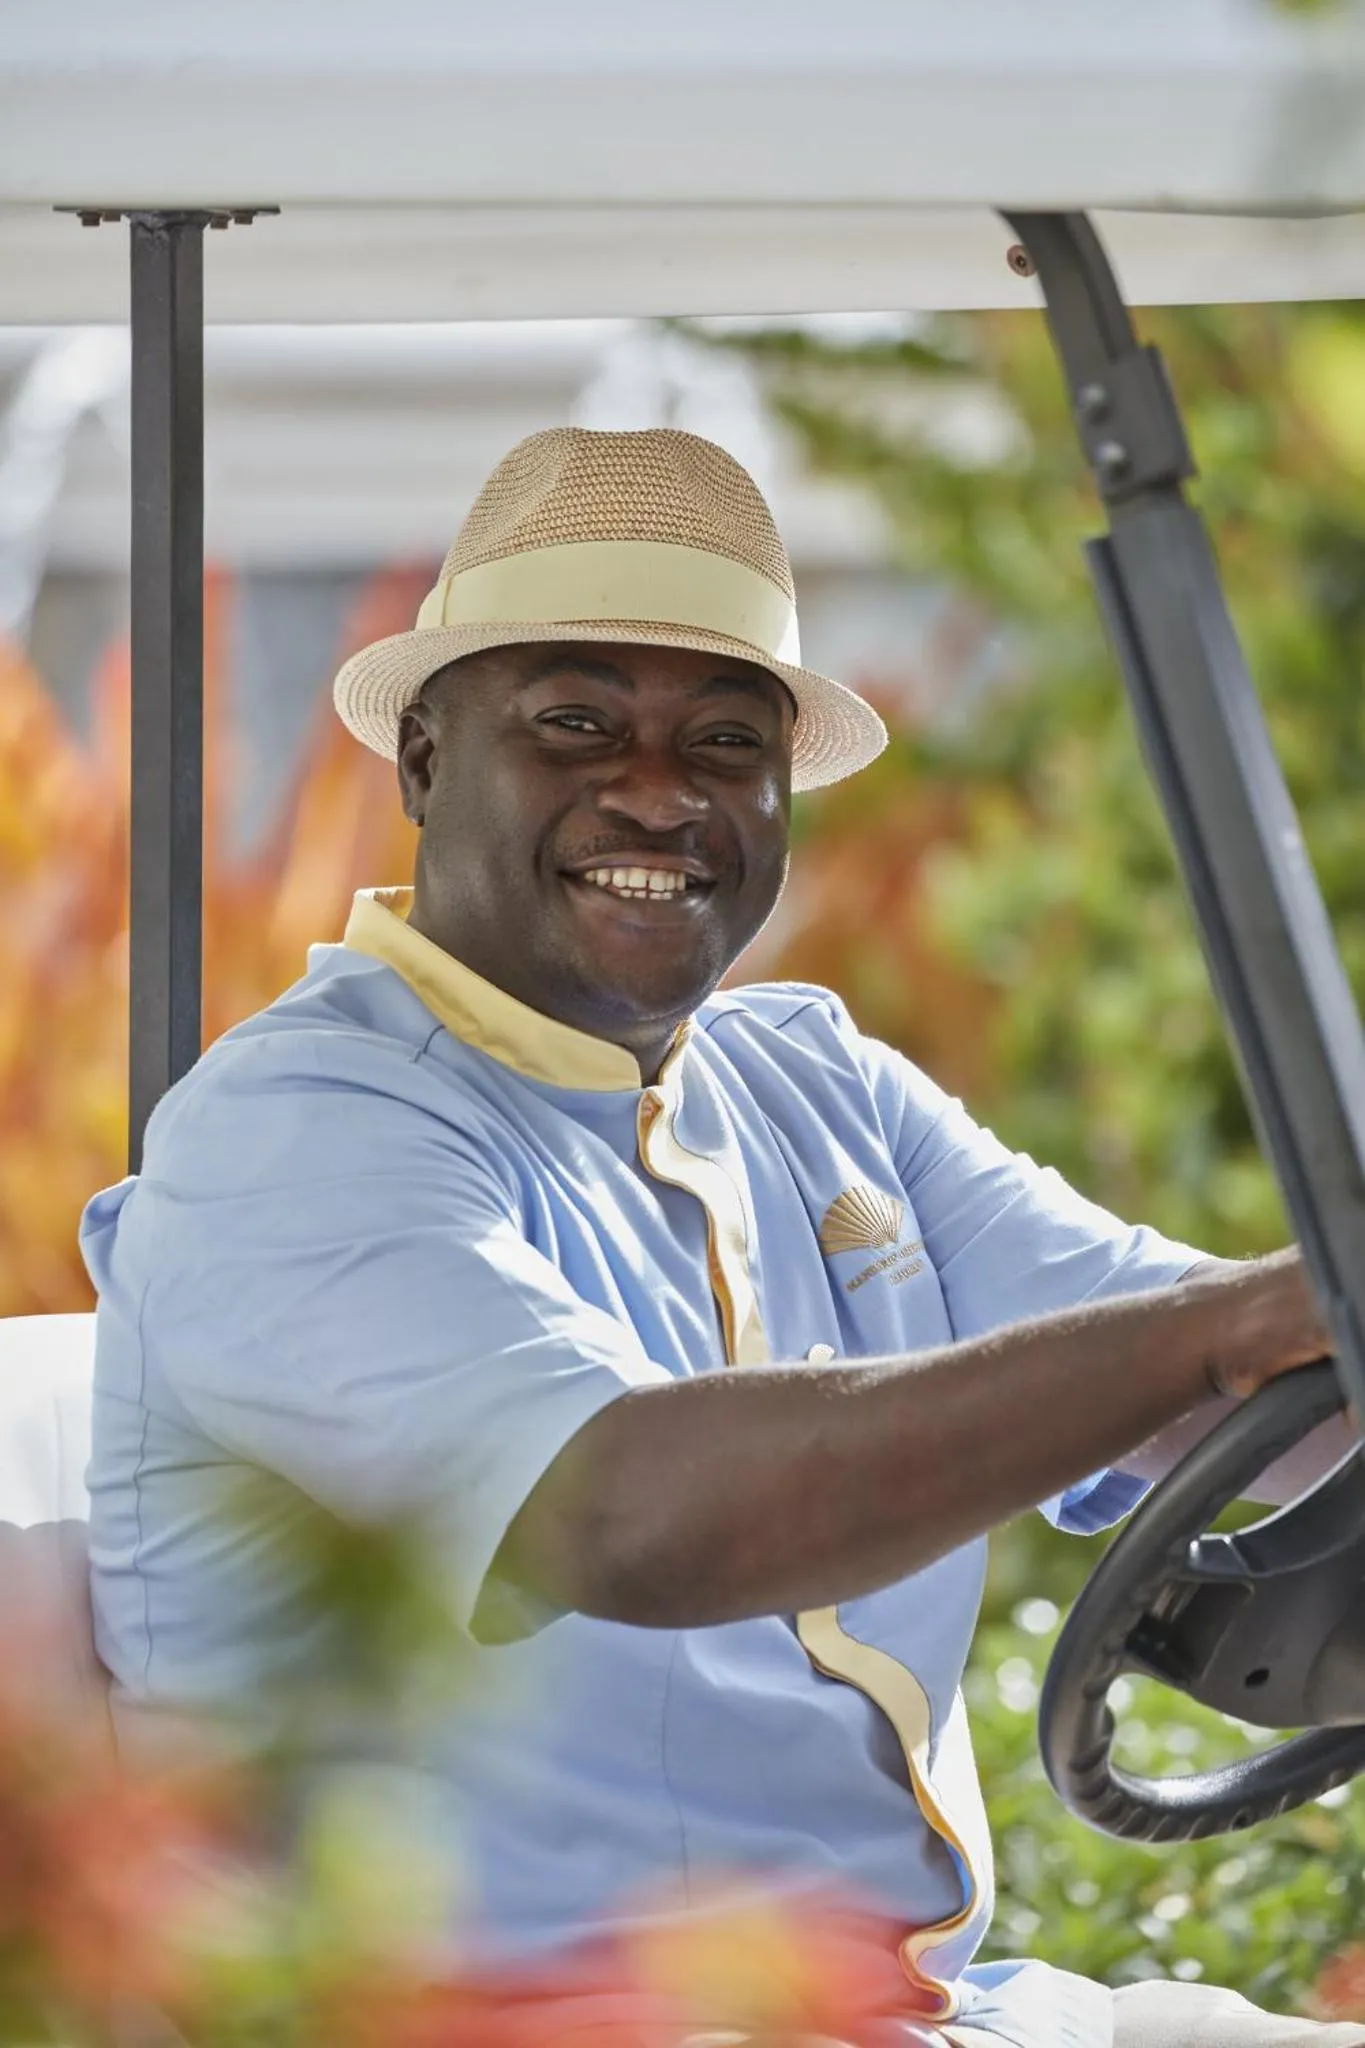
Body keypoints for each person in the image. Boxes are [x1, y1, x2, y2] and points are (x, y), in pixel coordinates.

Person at [81, 428, 1365, 2048]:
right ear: (422, 757)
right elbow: (628, 1512)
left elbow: (1216, 1362)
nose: (658, 792)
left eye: (725, 739)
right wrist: (1218, 1332)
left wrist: (1273, 1338)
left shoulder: (812, 1082)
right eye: (576, 723)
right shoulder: (301, 1132)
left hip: (903, 2015)